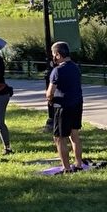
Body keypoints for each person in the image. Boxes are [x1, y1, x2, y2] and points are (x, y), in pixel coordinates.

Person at [46, 41, 84, 173]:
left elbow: (50, 92)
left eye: (53, 54)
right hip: (77, 103)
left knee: (59, 137)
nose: (53, 57)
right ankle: (78, 163)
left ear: (57, 54)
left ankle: (66, 167)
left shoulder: (57, 70)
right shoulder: (75, 67)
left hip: (62, 106)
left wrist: (50, 99)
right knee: (74, 134)